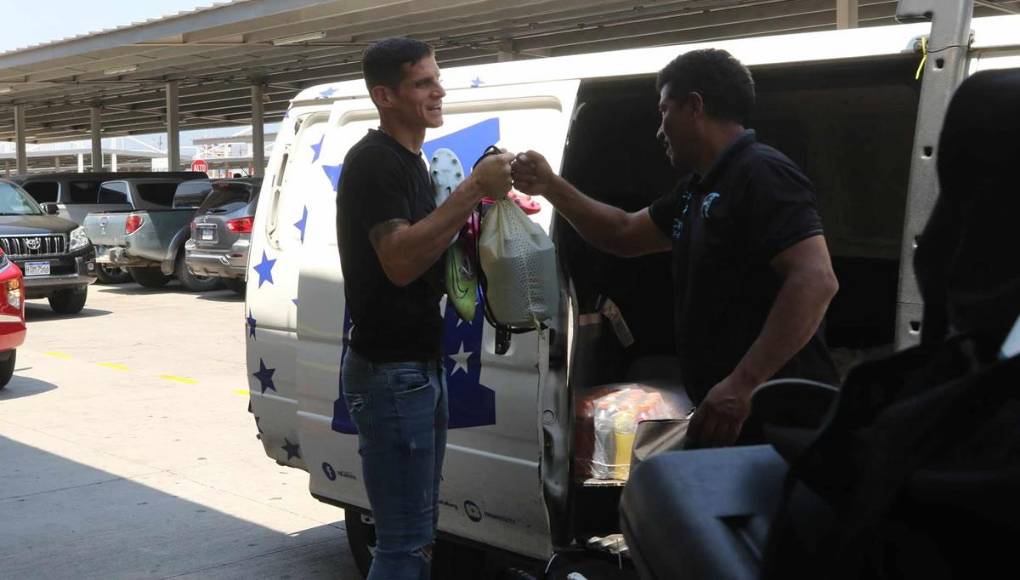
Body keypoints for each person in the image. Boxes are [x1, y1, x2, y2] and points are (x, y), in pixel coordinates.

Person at [512, 48, 839, 448]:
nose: (659, 129)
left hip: (774, 415)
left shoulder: (761, 172)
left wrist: (742, 385)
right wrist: (550, 186)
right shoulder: (697, 189)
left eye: (664, 110)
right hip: (728, 411)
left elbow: (816, 279)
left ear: (695, 106)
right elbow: (623, 233)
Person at [335, 38, 513, 580]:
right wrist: (470, 192)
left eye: (437, 78)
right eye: (423, 82)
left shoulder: (412, 162)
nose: (439, 90)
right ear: (383, 95)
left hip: (416, 367)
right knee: (404, 545)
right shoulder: (374, 163)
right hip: (391, 373)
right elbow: (399, 260)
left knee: (418, 537)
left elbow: (427, 251)